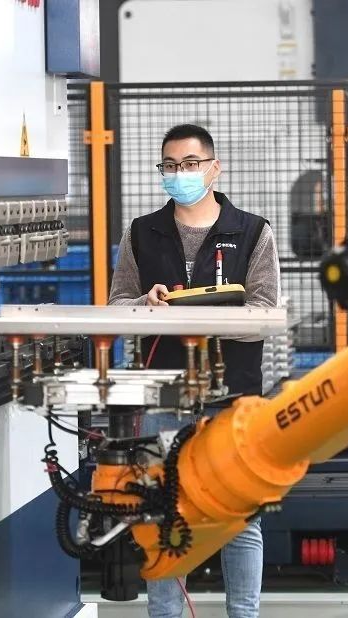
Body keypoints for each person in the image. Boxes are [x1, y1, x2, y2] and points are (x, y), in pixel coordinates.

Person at [108, 123, 280, 618]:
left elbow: (266, 313)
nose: (179, 173)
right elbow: (118, 306)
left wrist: (205, 314)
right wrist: (146, 304)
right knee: (166, 514)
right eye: (170, 165)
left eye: (189, 164)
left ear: (213, 167)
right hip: (164, 395)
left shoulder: (252, 232)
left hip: (233, 396)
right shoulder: (142, 232)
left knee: (240, 517)